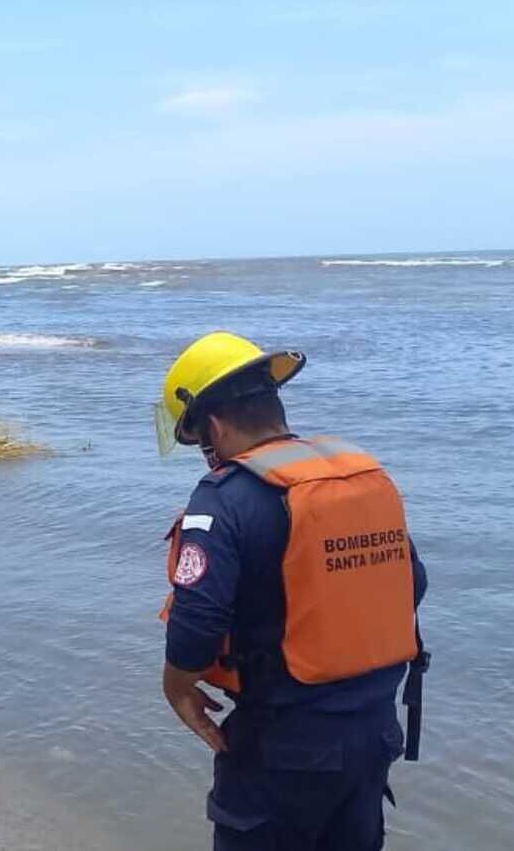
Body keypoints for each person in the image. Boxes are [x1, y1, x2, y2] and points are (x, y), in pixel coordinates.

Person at [155, 331, 430, 851]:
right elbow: (411, 583)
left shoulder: (225, 497)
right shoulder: (357, 477)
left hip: (282, 749)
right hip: (374, 735)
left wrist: (177, 688)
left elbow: (197, 622)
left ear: (214, 426)